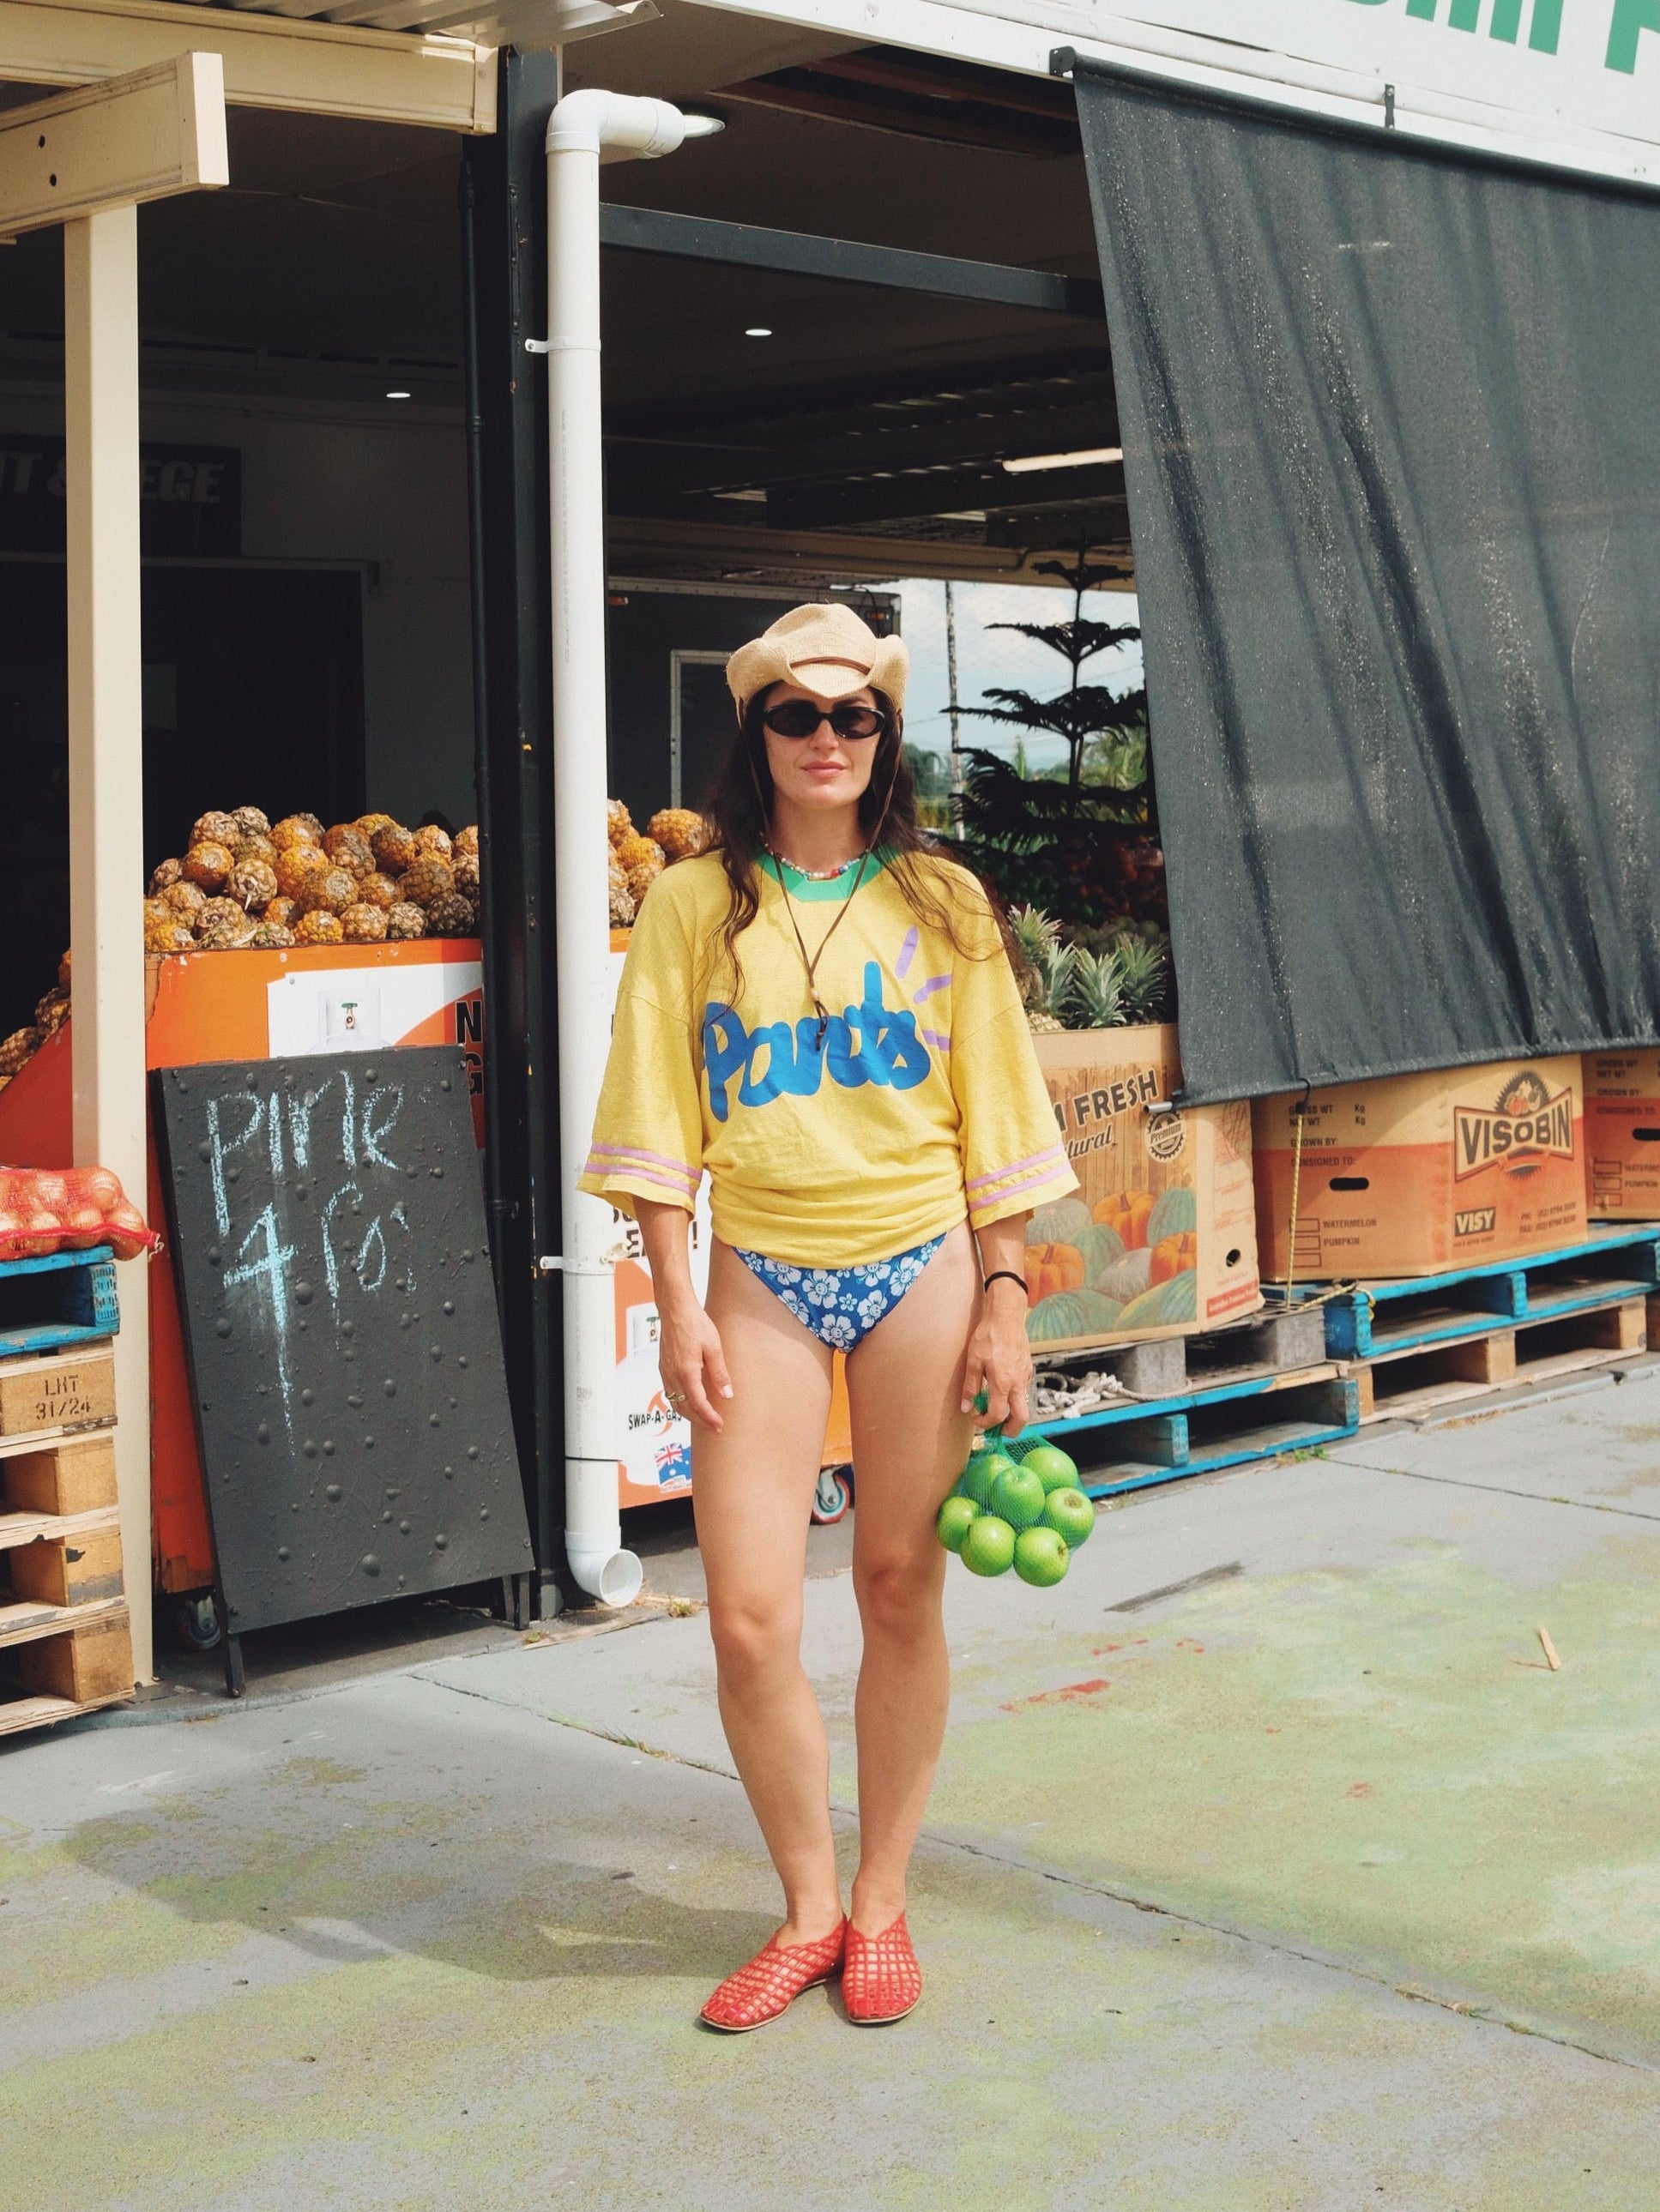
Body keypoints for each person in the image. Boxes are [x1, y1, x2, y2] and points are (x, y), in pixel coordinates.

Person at [580, 603, 1077, 2031]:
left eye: (852, 718)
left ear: (885, 736)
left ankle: (882, 1905)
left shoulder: (943, 902)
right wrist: (675, 1303)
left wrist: (1003, 1302)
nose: (825, 740)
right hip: (762, 1279)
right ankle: (805, 1907)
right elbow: (654, 1117)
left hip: (921, 1260)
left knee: (897, 1589)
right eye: (796, 717)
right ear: (758, 734)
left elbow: (1000, 1115)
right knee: (745, 1617)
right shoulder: (692, 903)